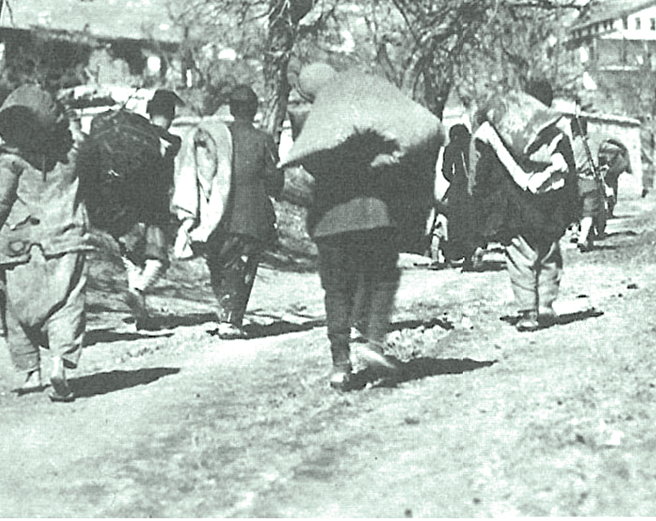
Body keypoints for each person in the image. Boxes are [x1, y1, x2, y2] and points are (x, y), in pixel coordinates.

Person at [291, 62, 442, 391]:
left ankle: (340, 365)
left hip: (329, 221)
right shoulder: (368, 111)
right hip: (374, 214)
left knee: (336, 290)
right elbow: (410, 140)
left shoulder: (309, 124)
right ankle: (373, 343)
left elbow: (302, 176)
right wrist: (382, 163)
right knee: (382, 278)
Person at [0, 84, 95, 402]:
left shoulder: (10, 161)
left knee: (14, 308)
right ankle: (59, 366)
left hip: (19, 245)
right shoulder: (75, 154)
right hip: (67, 240)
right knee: (68, 305)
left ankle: (30, 373)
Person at [470, 78, 578, 333]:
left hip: (514, 206)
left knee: (520, 257)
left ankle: (528, 311)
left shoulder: (497, 133)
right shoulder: (557, 134)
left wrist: (482, 202)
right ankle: (546, 306)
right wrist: (572, 210)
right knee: (549, 253)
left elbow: (482, 173)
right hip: (550, 206)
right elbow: (570, 174)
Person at [189, 84, 284, 340]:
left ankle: (227, 313)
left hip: (216, 214)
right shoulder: (263, 139)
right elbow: (276, 181)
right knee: (243, 268)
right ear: (253, 111)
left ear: (231, 109)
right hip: (252, 216)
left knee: (220, 264)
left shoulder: (219, 138)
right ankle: (231, 319)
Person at [116, 89, 183, 331]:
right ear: (172, 114)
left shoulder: (134, 135)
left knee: (133, 259)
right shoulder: (174, 141)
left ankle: (140, 317)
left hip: (126, 206)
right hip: (155, 208)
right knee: (158, 260)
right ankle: (138, 291)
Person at [440, 123, 482, 270]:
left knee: (457, 224)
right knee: (472, 222)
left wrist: (454, 180)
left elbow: (445, 171)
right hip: (473, 188)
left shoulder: (450, 148)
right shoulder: (473, 146)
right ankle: (471, 253)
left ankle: (459, 254)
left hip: (457, 191)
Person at [567, 114, 604, 252]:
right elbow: (597, 162)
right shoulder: (593, 143)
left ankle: (577, 233)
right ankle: (583, 239)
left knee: (577, 211)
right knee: (589, 212)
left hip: (575, 182)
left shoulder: (571, 145)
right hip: (590, 181)